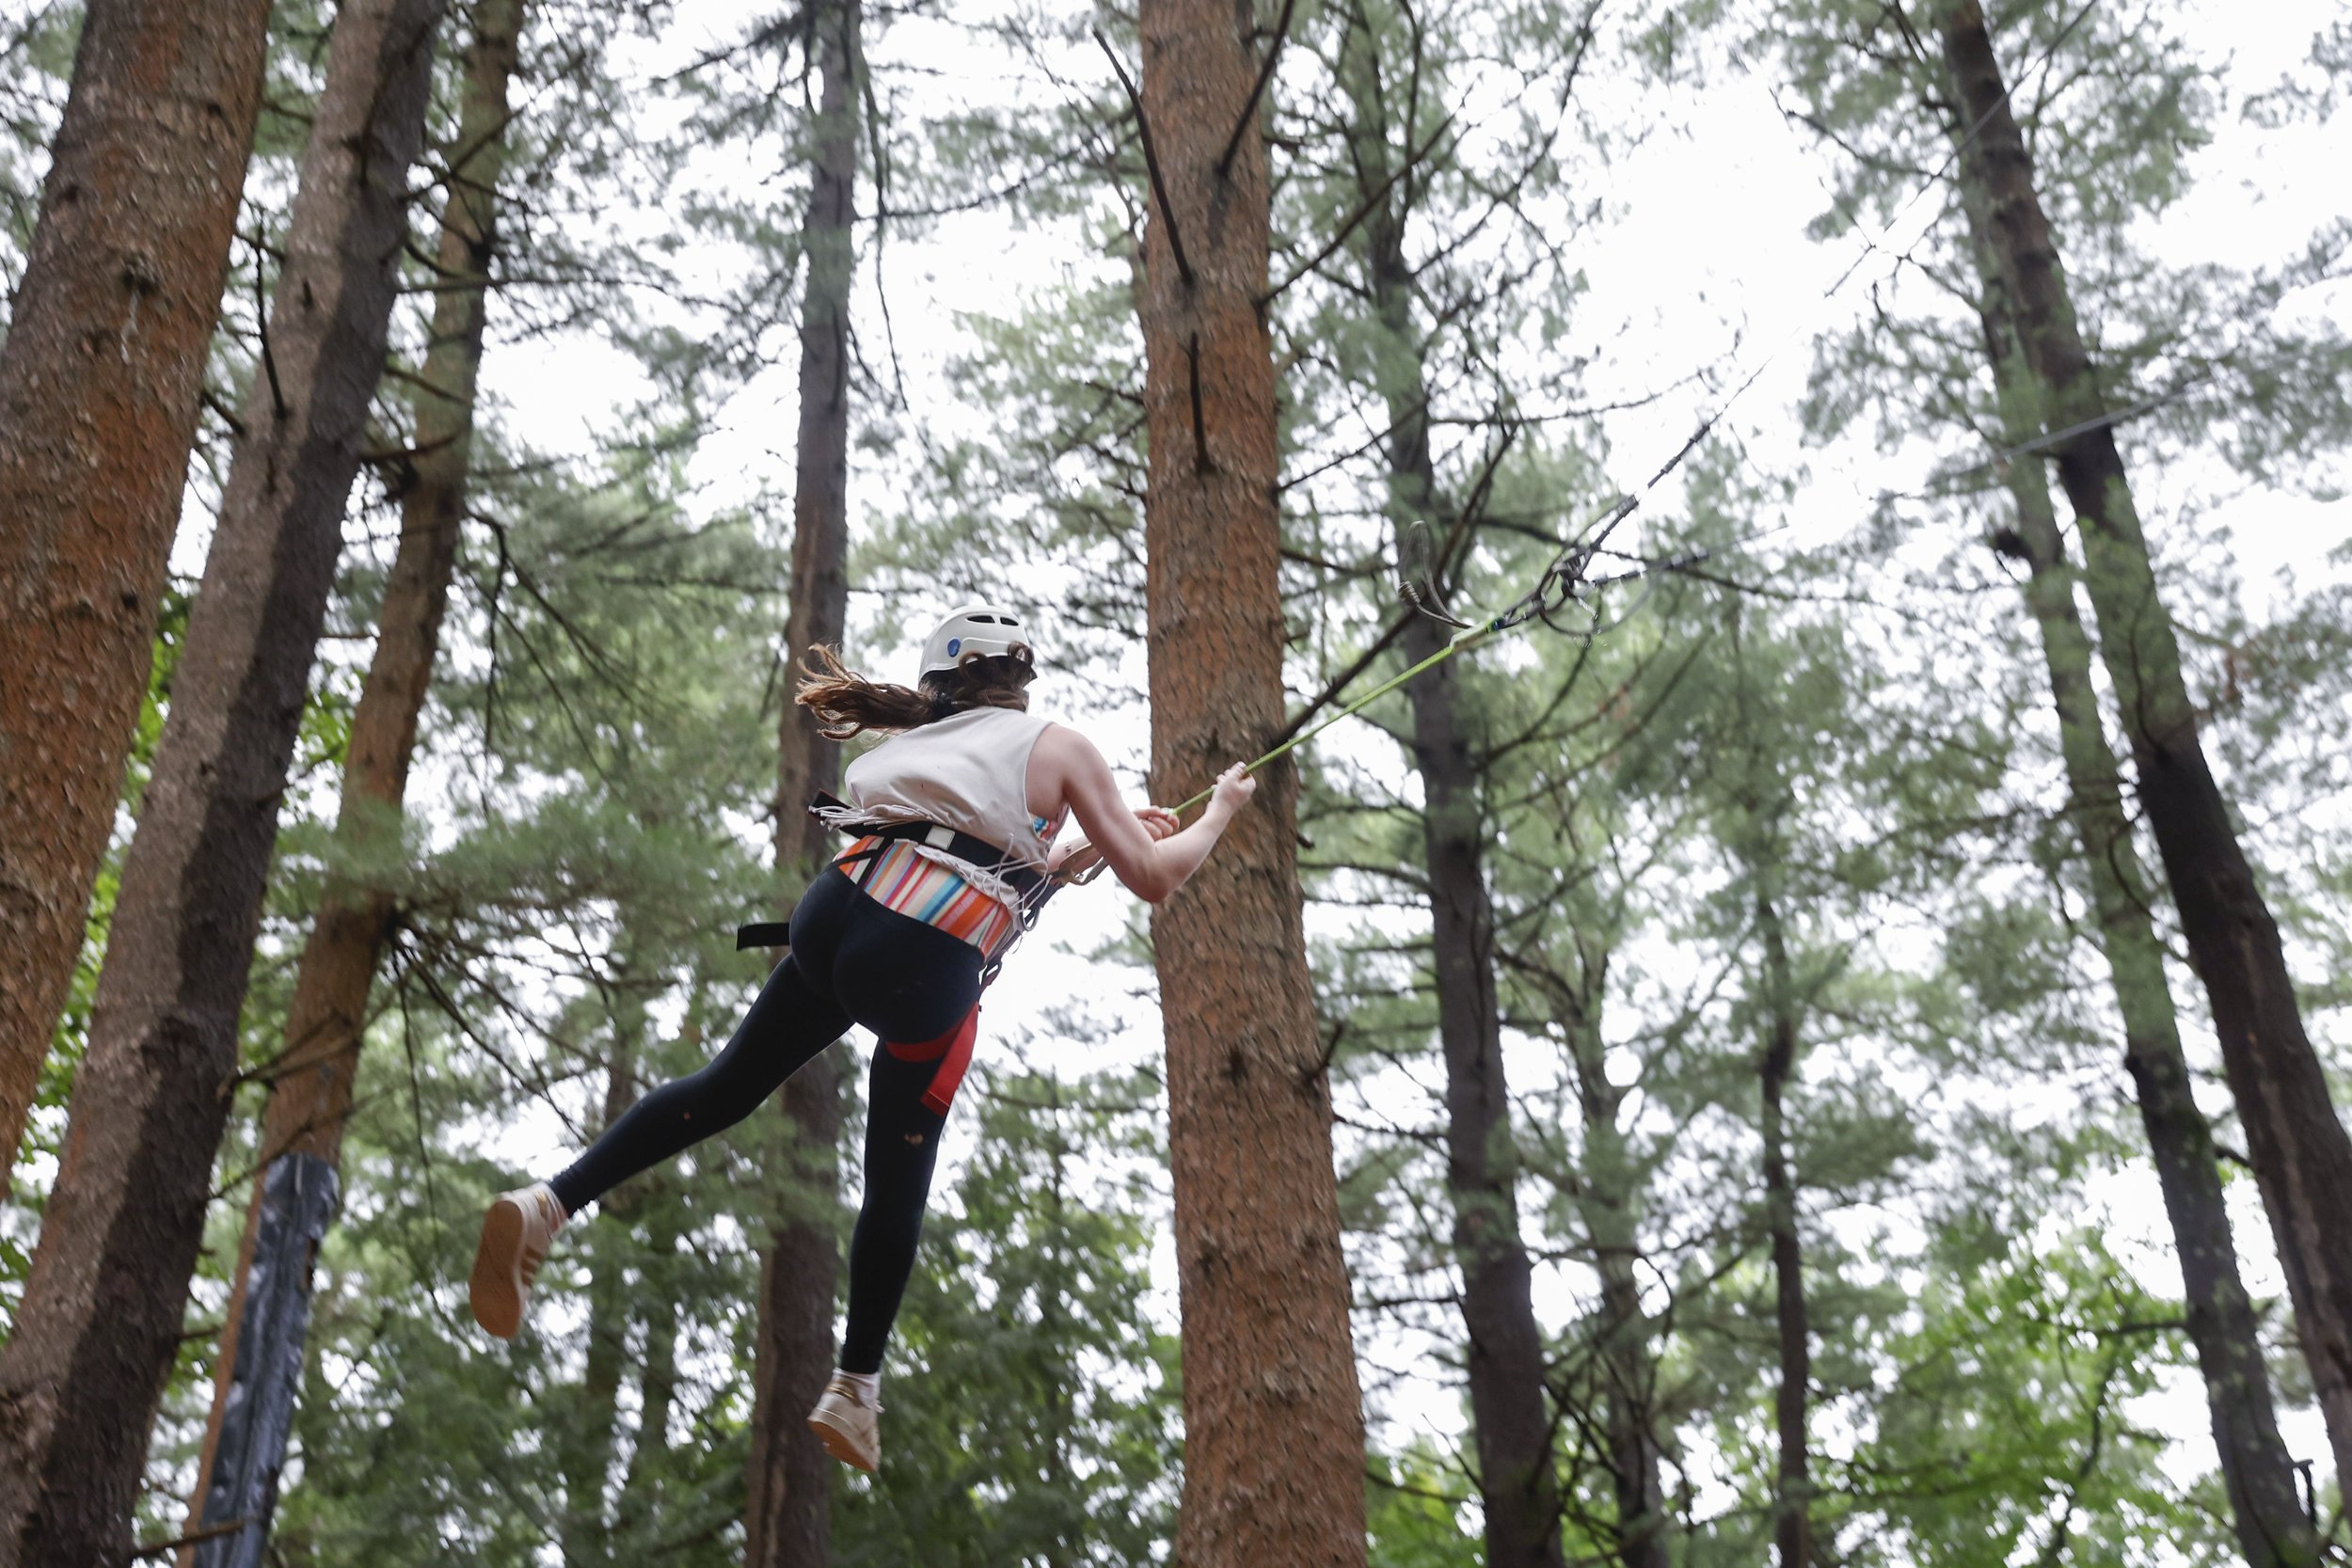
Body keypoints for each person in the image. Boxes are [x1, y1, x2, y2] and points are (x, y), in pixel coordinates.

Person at [466, 602, 1258, 1473]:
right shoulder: (1059, 745)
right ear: (1017, 678)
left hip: (836, 915)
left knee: (723, 1087)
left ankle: (551, 1201)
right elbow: (1153, 879)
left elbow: (966, 843)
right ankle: (855, 1384)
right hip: (921, 959)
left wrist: (1067, 858)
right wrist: (1216, 812)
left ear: (943, 685)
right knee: (896, 1177)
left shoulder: (907, 747)